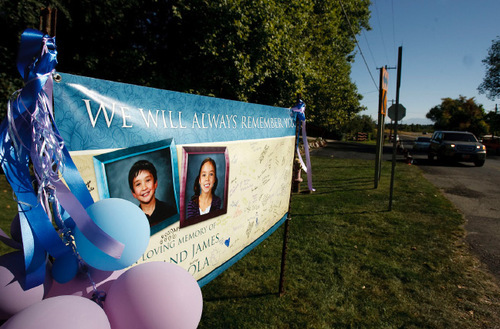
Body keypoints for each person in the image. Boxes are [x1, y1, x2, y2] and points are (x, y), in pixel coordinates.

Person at [128, 160, 176, 227]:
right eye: (138, 184)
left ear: (155, 183)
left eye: (147, 180)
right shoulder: (133, 222)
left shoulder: (170, 211)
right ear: (133, 193)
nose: (144, 188)